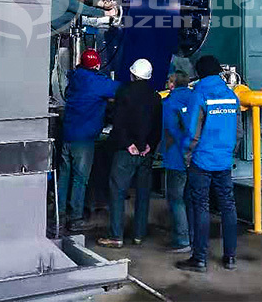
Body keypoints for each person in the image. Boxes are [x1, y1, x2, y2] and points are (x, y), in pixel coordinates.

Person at [176, 55, 242, 273]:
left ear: (199, 73)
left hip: (202, 161)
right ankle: (230, 257)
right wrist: (228, 154)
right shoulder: (231, 95)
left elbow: (192, 133)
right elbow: (238, 132)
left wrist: (187, 157)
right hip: (224, 161)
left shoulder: (199, 94)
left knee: (201, 207)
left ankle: (200, 259)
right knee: (228, 206)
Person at [97, 59, 162, 249]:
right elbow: (158, 126)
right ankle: (139, 235)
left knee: (117, 192)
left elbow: (118, 122)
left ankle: (116, 236)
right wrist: (149, 145)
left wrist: (128, 144)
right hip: (145, 153)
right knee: (143, 194)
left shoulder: (123, 92)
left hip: (126, 152)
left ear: (132, 74)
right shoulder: (155, 97)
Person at [57, 49, 120, 232]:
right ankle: (76, 218)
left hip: (67, 136)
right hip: (83, 140)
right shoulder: (97, 82)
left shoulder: (75, 77)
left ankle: (59, 215)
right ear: (98, 65)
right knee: (80, 179)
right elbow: (122, 89)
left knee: (64, 178)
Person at [160, 70, 201, 254]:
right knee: (191, 199)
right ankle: (194, 237)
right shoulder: (196, 98)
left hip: (176, 158)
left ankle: (182, 240)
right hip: (196, 158)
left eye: (169, 81)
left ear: (172, 84)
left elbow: (171, 130)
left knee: (176, 199)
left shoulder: (169, 103)